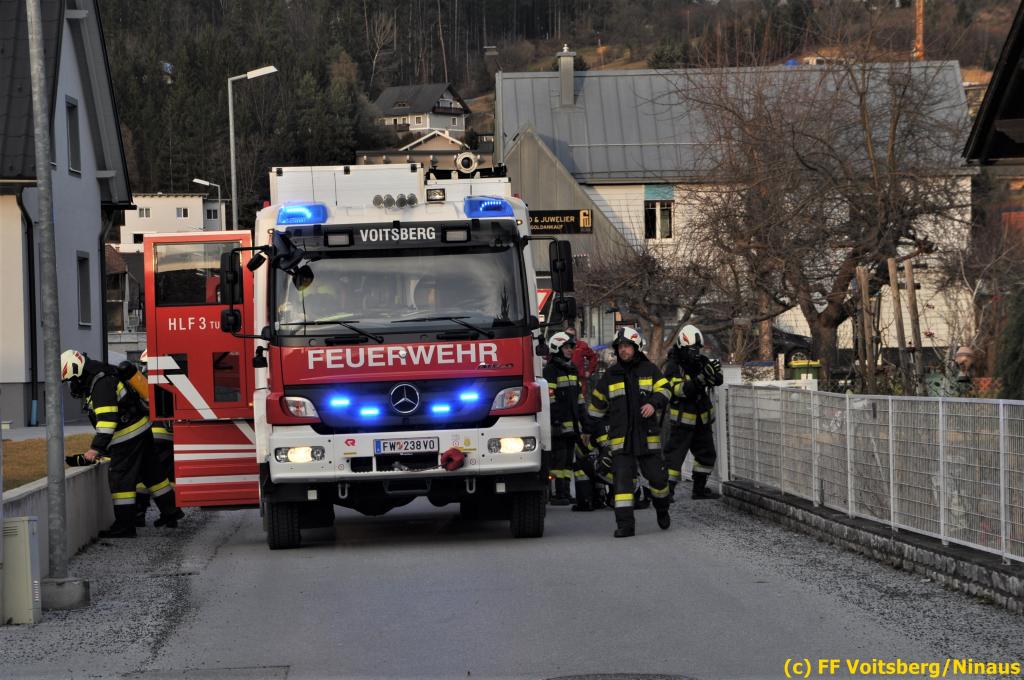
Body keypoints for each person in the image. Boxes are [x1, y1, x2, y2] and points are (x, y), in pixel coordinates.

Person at [61, 349, 183, 537]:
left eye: (71, 380)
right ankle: (171, 511)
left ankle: (125, 526)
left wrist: (95, 449)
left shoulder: (100, 385)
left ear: (77, 372)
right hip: (142, 430)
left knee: (120, 480)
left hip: (127, 436)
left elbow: (107, 422)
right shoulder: (103, 375)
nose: (72, 385)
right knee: (153, 474)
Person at [587, 327, 673, 537]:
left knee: (658, 480)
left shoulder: (649, 369)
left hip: (647, 437)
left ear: (636, 347)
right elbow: (595, 411)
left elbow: (665, 389)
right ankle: (625, 525)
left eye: (627, 346)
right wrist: (599, 440)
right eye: (620, 347)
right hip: (621, 440)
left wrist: (653, 403)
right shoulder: (610, 375)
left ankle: (662, 508)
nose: (623, 350)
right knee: (622, 485)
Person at [663, 324, 724, 500]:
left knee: (706, 455)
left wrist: (712, 373)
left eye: (697, 348)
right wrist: (702, 378)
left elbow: (718, 380)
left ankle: (699, 490)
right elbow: (678, 390)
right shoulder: (674, 365)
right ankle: (666, 493)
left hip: (701, 421)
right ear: (682, 347)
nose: (695, 352)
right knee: (674, 459)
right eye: (692, 349)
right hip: (682, 423)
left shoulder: (701, 361)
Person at [543, 332, 594, 509]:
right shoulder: (550, 370)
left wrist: (585, 422)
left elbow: (579, 400)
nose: (570, 350)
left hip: (572, 425)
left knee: (567, 462)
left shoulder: (572, 370)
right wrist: (556, 419)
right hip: (557, 424)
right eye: (566, 347)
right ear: (556, 348)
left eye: (571, 347)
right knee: (558, 461)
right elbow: (549, 398)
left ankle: (565, 492)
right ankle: (557, 494)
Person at [564, 326, 598, 394]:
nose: (569, 337)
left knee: (580, 399)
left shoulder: (581, 345)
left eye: (571, 335)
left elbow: (593, 357)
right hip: (564, 379)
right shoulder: (560, 345)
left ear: (575, 336)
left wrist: (589, 371)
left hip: (579, 379)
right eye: (567, 335)